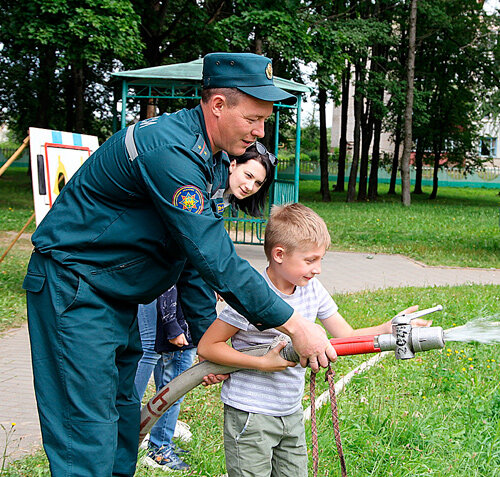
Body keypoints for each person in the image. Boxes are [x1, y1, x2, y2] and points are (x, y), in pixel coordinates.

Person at [23, 52, 336, 477]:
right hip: (75, 290)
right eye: (253, 119)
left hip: (113, 295)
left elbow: (191, 258)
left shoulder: (212, 159)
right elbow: (215, 256)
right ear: (218, 105)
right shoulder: (170, 150)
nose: (261, 131)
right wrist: (297, 326)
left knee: (121, 418)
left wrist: (209, 344)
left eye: (265, 120)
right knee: (87, 430)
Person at [198, 203, 431, 477]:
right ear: (279, 254)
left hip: (291, 412)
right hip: (251, 414)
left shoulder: (312, 290)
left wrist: (386, 328)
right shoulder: (251, 296)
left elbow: (346, 336)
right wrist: (261, 363)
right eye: (310, 260)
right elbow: (208, 347)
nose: (318, 269)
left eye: (321, 260)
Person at [136, 144, 277, 470]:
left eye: (258, 183)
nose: (250, 186)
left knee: (175, 366)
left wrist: (204, 338)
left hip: (174, 292)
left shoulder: (218, 200)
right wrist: (176, 323)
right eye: (248, 175)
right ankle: (127, 438)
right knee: (144, 358)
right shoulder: (199, 189)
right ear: (233, 164)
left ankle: (156, 443)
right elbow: (190, 258)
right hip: (148, 285)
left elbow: (197, 267)